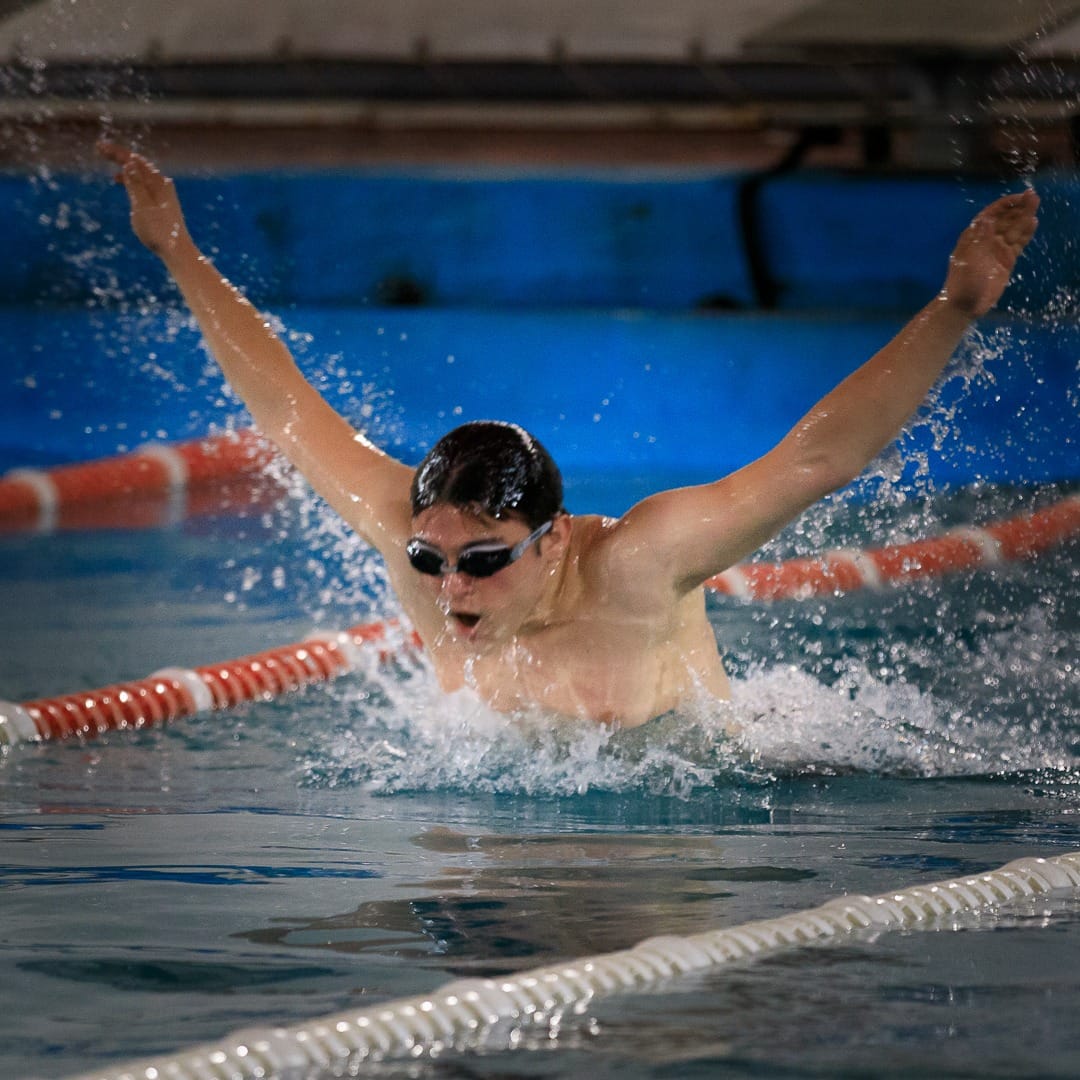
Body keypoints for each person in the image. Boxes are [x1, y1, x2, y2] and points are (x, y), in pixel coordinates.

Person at [98, 142, 1039, 728]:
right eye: (431, 563)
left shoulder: (640, 563)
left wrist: (953, 310)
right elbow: (286, 410)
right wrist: (176, 250)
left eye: (483, 559)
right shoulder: (416, 534)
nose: (450, 586)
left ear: (551, 542)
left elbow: (818, 460)